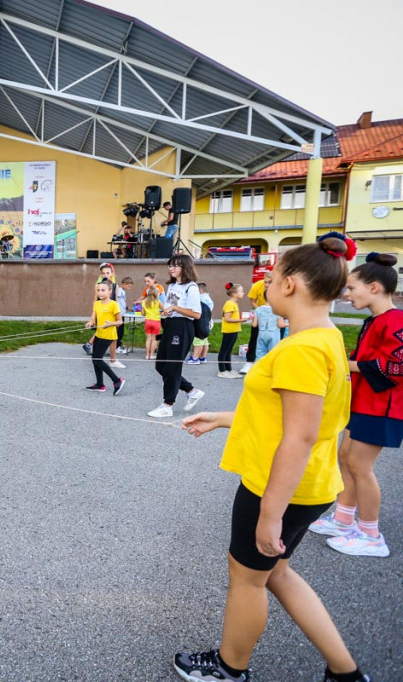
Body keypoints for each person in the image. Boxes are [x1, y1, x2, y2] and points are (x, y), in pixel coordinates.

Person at [176, 234, 370, 682]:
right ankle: (344, 672)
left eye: (272, 277)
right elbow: (294, 418)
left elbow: (299, 436)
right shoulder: (326, 337)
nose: (265, 286)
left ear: (292, 285)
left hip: (280, 486)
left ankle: (229, 667)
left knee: (248, 579)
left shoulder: (301, 348)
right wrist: (223, 418)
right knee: (277, 575)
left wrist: (270, 513)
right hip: (310, 484)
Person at [310, 252, 403, 559]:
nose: (346, 295)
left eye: (351, 288)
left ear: (374, 287)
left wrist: (348, 364)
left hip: (383, 406)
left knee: (361, 467)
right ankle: (344, 518)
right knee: (346, 458)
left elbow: (396, 367)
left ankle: (370, 534)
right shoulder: (376, 319)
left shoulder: (396, 320)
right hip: (365, 402)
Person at [147, 254, 205, 418]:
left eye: (175, 265)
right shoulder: (172, 286)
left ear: (184, 267)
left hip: (183, 327)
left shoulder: (191, 287)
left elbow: (196, 314)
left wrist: (175, 308)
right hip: (171, 325)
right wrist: (166, 310)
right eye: (170, 265)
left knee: (172, 366)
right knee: (161, 365)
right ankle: (191, 391)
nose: (171, 268)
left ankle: (167, 405)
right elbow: (171, 306)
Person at [84, 281, 125, 395]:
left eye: (103, 290)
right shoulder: (97, 304)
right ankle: (100, 384)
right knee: (95, 359)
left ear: (110, 291)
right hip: (99, 334)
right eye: (98, 290)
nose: (100, 293)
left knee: (97, 359)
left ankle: (117, 381)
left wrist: (109, 324)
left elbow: (119, 322)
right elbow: (93, 318)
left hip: (108, 335)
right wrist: (90, 323)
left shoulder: (113, 304)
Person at [239, 274, 271, 374]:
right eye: (265, 282)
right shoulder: (257, 285)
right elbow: (252, 301)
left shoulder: (279, 288)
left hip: (274, 314)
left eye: (269, 282)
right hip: (260, 313)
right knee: (254, 337)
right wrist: (261, 311)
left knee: (276, 339)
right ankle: (249, 362)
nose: (266, 284)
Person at [218, 283, 248, 378]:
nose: (243, 293)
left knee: (229, 350)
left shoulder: (234, 303)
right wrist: (240, 320)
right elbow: (227, 318)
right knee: (224, 350)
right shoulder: (230, 304)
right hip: (229, 330)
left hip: (234, 330)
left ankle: (228, 369)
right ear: (234, 294)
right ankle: (222, 370)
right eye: (241, 291)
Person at [187, 283, 214, 365]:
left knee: (198, 340)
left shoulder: (201, 299)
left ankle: (195, 358)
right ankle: (202, 357)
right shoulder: (208, 298)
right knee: (204, 340)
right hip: (207, 322)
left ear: (199, 291)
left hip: (200, 323)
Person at [142, 286, 162, 360]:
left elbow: (143, 313)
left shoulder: (144, 302)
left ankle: (147, 355)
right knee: (154, 339)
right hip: (156, 321)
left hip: (148, 321)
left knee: (148, 339)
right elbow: (164, 310)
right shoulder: (158, 302)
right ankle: (152, 354)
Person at [115, 277, 134, 354]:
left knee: (121, 331)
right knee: (119, 331)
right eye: (129, 286)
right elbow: (116, 300)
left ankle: (119, 345)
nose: (129, 288)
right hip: (119, 314)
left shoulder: (123, 291)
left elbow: (122, 302)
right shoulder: (119, 290)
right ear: (124, 284)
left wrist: (128, 308)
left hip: (122, 313)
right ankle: (117, 347)